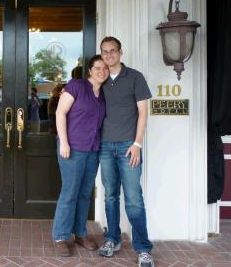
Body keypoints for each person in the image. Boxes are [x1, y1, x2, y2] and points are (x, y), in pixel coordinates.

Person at [97, 37, 154, 267]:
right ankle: (112, 239)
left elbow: (143, 113)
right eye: (104, 52)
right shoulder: (98, 79)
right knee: (110, 196)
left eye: (112, 51)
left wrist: (137, 144)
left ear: (121, 52)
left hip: (128, 147)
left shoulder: (135, 77)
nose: (109, 55)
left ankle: (143, 249)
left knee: (133, 200)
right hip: (104, 146)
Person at [52, 55, 109, 257]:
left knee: (85, 193)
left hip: (92, 150)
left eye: (105, 68)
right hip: (72, 148)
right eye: (97, 68)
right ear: (90, 71)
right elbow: (60, 113)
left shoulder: (102, 95)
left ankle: (80, 233)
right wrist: (64, 142)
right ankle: (61, 236)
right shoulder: (76, 86)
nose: (101, 71)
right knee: (69, 193)